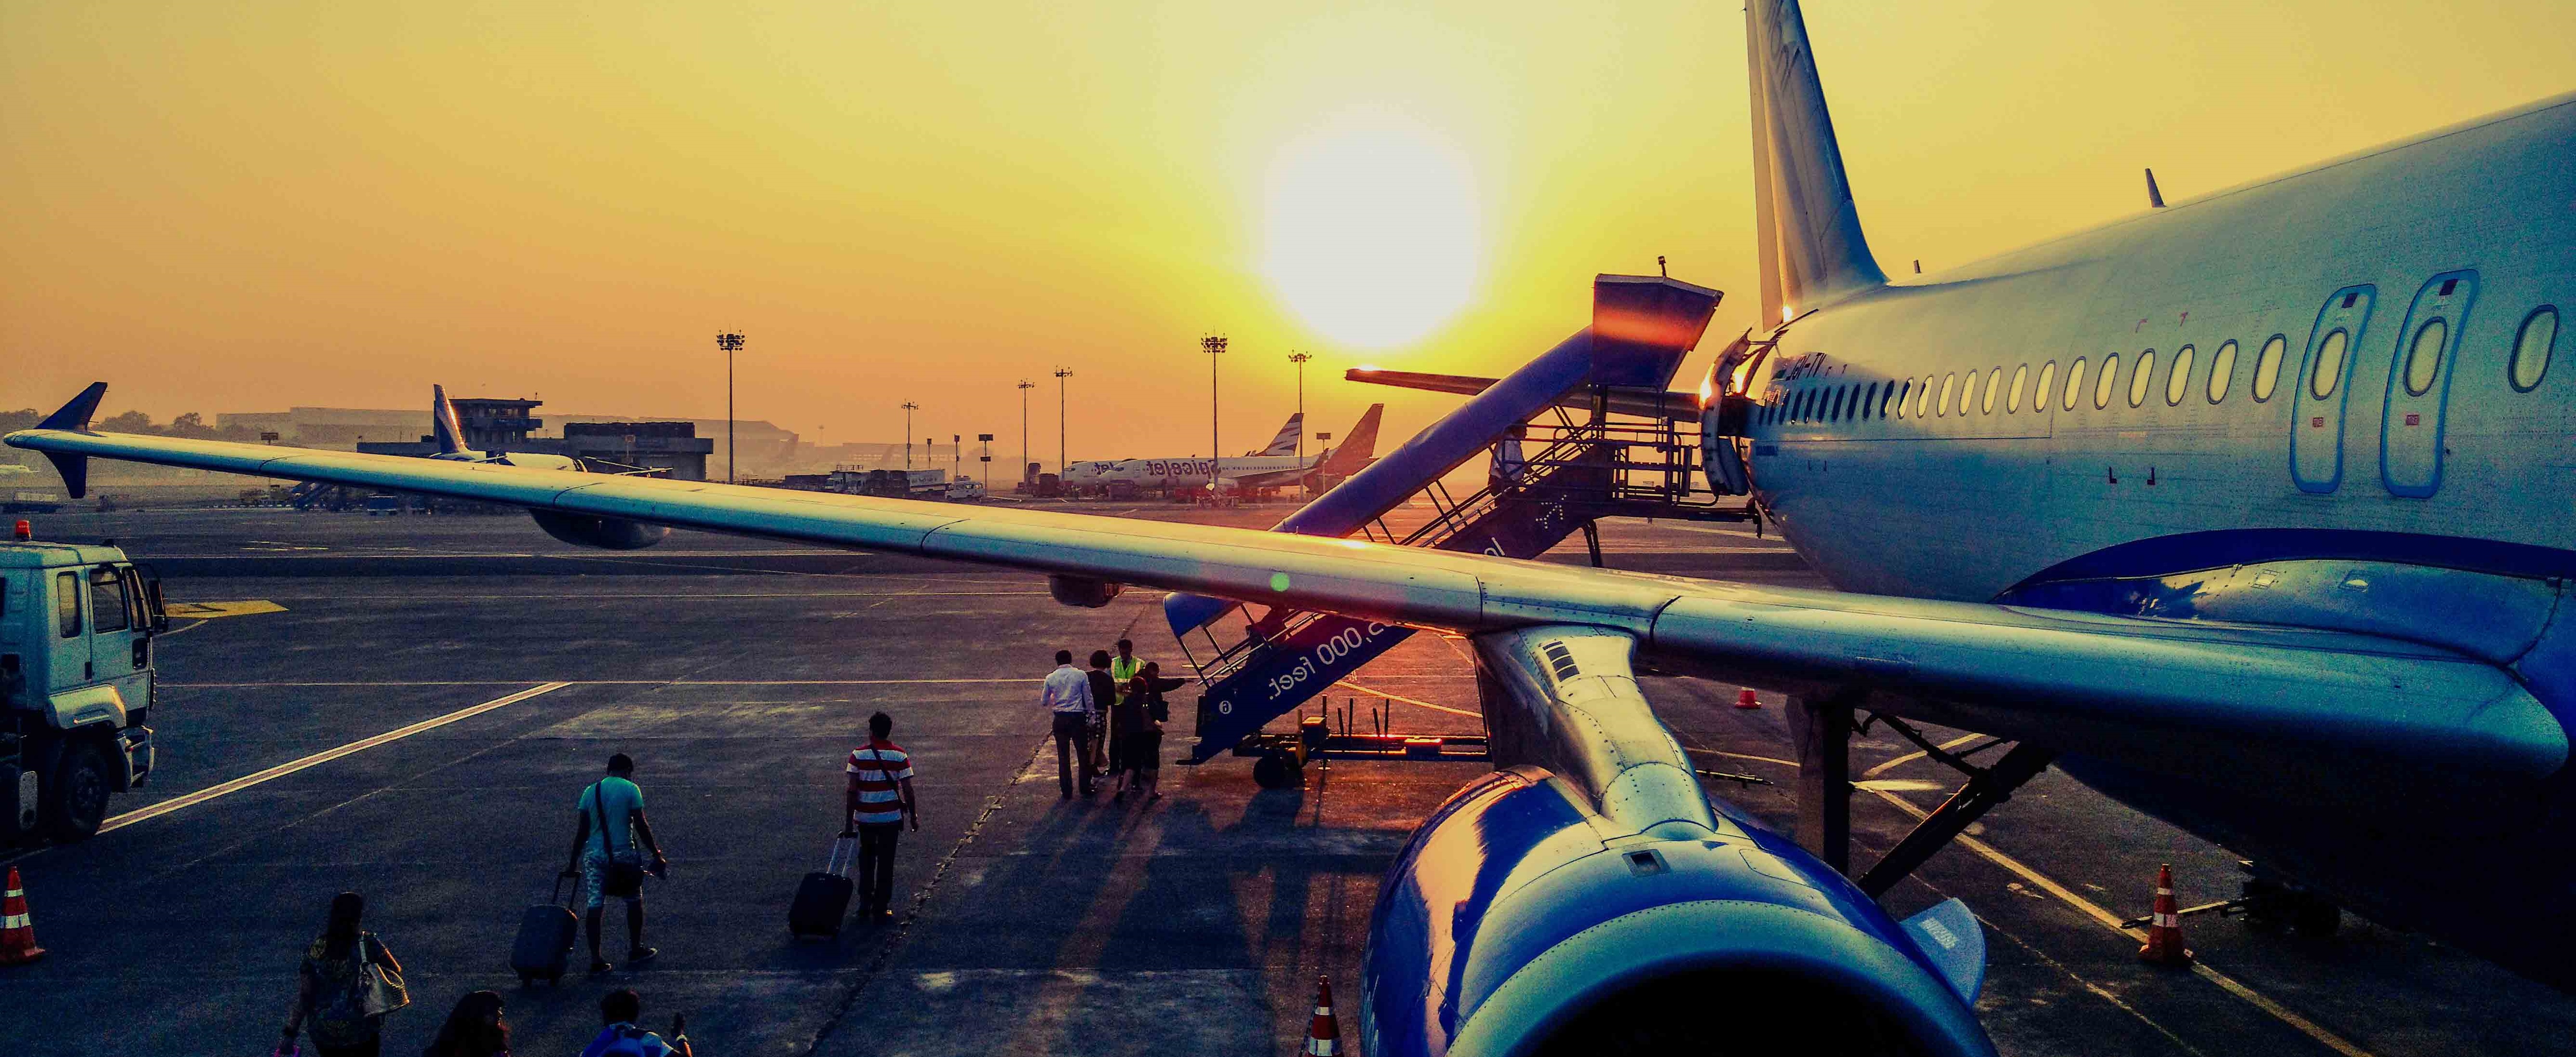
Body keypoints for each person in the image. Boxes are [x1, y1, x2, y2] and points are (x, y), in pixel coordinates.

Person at [564, 753, 669, 974]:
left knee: (595, 904)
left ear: (608, 770)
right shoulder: (631, 790)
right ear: (627, 771)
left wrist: (573, 861)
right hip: (623, 854)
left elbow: (582, 831)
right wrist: (656, 853)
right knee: (633, 900)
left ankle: (596, 959)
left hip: (594, 855)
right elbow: (641, 825)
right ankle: (635, 948)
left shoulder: (590, 791)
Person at [282, 891, 408, 1057]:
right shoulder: (368, 943)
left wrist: (290, 1033)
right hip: (361, 1027)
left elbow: (305, 995)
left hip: (324, 1030)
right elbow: (396, 970)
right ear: (359, 916)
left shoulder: (317, 949)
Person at [844, 710, 919, 922]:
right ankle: (881, 905)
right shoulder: (899, 755)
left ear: (871, 731)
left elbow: (852, 791)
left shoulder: (858, 755)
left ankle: (864, 903)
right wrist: (913, 816)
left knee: (866, 860)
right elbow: (908, 790)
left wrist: (849, 823)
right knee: (886, 862)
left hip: (866, 818)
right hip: (890, 818)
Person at [1041, 649, 1096, 798]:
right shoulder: (1080, 675)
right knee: (1083, 754)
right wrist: (1092, 718)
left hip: (1060, 719)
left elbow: (1044, 701)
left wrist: (1056, 698)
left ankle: (1066, 790)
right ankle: (1085, 787)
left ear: (1057, 661)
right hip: (1077, 718)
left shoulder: (1051, 677)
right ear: (1071, 660)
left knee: (1063, 756)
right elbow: (1088, 698)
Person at [579, 990, 693, 1057]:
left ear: (606, 1017)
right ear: (635, 1014)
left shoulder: (598, 1045)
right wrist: (680, 1036)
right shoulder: (649, 1040)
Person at [1110, 675, 1164, 801]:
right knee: (1153, 764)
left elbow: (1122, 719)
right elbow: (1158, 714)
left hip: (1132, 735)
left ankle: (1123, 789)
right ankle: (1152, 792)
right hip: (1149, 734)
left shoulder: (1127, 701)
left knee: (1132, 764)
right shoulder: (1148, 698)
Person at [421, 990, 510, 1057]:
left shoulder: (494, 1038)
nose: (499, 1015)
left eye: (499, 1010)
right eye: (493, 1011)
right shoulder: (455, 1047)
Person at [1085, 650, 1118, 783]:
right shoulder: (1108, 679)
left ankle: (1091, 768)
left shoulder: (1086, 677)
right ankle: (1093, 769)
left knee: (1088, 744)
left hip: (1086, 714)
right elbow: (1112, 701)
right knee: (1097, 743)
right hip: (1100, 715)